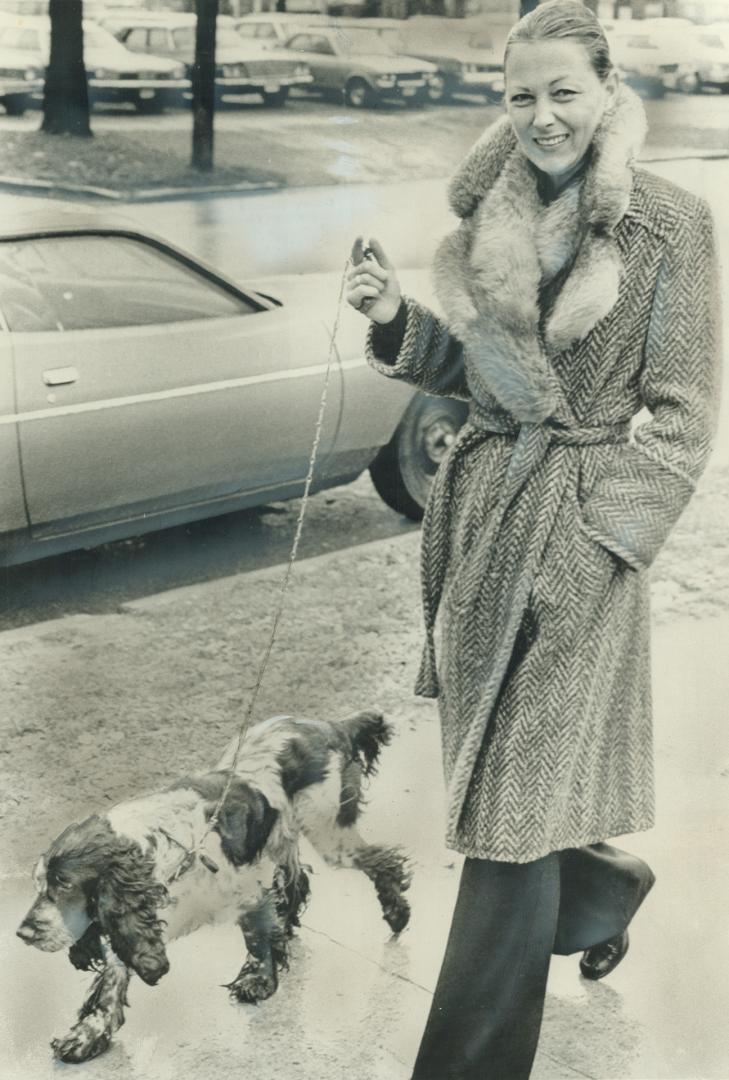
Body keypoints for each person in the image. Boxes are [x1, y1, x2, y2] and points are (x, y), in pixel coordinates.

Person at [345, 1, 722, 1077]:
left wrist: (602, 541)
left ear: (608, 89)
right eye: (521, 96)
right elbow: (481, 375)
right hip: (482, 533)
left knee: (504, 817)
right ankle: (605, 889)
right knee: (512, 783)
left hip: (585, 542)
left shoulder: (670, 223)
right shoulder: (487, 224)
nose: (543, 117)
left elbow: (687, 413)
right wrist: (392, 320)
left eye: (563, 92)